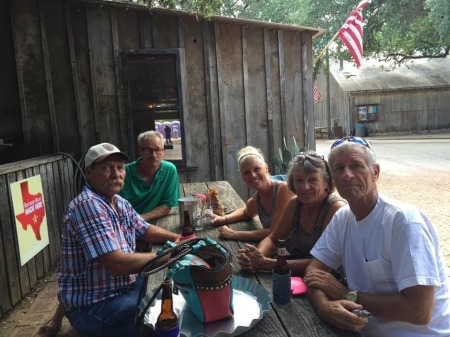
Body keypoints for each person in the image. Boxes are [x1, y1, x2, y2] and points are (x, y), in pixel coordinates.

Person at [303, 137, 450, 336]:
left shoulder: (403, 222)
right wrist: (324, 306)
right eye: (339, 168)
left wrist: (345, 294)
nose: (347, 175)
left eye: (356, 166)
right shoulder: (343, 218)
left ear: (375, 173)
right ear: (334, 180)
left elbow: (420, 310)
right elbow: (314, 270)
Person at [36, 143, 180, 337]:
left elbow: (144, 230)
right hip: (94, 306)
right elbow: (117, 264)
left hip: (120, 289)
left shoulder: (117, 201)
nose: (115, 174)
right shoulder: (88, 205)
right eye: (106, 168)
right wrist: (169, 255)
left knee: (171, 294)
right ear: (88, 172)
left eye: (120, 168)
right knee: (164, 321)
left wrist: (177, 238)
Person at [237, 151, 346, 275]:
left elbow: (322, 263)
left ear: (326, 183)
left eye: (313, 180)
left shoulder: (336, 209)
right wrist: (256, 257)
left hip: (329, 280)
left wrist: (269, 263)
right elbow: (273, 240)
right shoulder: (296, 204)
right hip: (295, 274)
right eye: (299, 181)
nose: (305, 187)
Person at [211, 146, 294, 241]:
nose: (253, 175)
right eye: (247, 172)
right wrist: (223, 219)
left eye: (257, 169)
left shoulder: (283, 189)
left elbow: (274, 232)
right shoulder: (256, 200)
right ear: (242, 177)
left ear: (266, 168)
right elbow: (246, 212)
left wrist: (234, 234)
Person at [120, 130, 179, 222]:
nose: (153, 155)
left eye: (157, 150)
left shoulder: (169, 170)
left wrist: (139, 219)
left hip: (155, 222)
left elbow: (167, 205)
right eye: (148, 150)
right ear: (140, 151)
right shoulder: (124, 172)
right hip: (127, 224)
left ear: (163, 151)